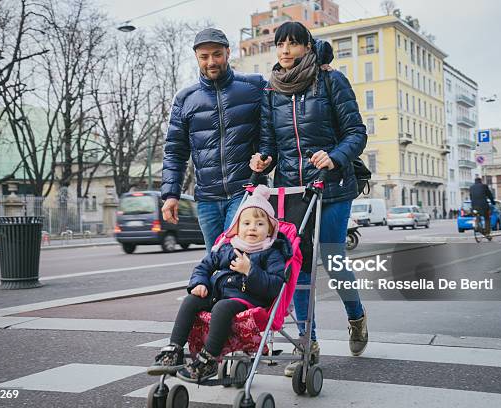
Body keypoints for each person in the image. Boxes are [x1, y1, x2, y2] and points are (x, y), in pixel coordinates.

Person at [249, 22, 368, 376]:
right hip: (294, 191)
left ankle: (356, 316)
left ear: (307, 47)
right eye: (280, 43)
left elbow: (356, 133)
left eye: (293, 43)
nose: (285, 50)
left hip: (333, 186)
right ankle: (307, 343)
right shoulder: (272, 92)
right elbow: (268, 142)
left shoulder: (331, 81)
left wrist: (334, 156)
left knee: (332, 257)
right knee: (296, 265)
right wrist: (263, 159)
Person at [147, 185, 291, 383]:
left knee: (222, 307)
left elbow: (275, 285)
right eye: (246, 223)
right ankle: (174, 350)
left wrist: (250, 271)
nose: (252, 228)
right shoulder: (227, 249)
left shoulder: (271, 253)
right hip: (217, 293)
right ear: (237, 228)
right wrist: (200, 283)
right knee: (191, 300)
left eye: (259, 224)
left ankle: (209, 359)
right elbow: (203, 267)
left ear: (270, 229)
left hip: (247, 299)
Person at [160, 28, 265, 252]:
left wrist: (265, 157)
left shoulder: (253, 87)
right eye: (204, 57)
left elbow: (274, 126)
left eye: (217, 54)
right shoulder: (185, 99)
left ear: (228, 53)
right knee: (215, 260)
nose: (211, 62)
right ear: (197, 58)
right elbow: (175, 152)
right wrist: (171, 195)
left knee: (233, 254)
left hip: (245, 191)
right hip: (207, 199)